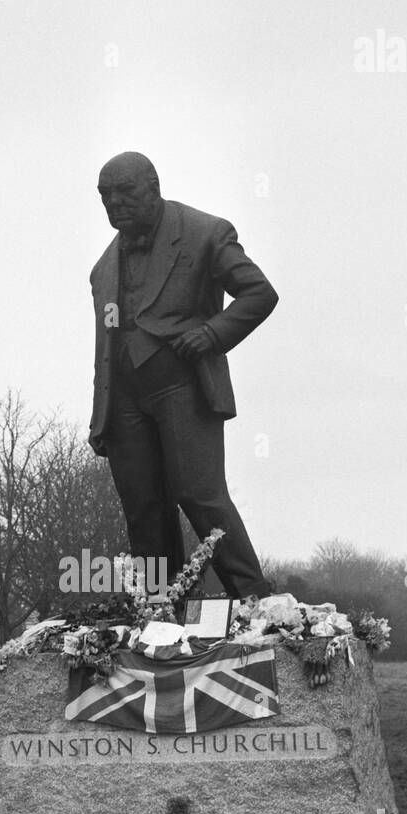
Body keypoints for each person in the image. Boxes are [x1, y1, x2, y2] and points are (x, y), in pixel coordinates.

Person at [89, 151, 278, 601]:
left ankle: (256, 605)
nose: (114, 202)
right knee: (144, 512)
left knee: (202, 497)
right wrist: (102, 416)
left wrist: (212, 334)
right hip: (125, 405)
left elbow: (259, 293)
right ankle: (164, 613)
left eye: (125, 192)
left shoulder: (205, 233)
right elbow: (105, 350)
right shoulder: (102, 268)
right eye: (105, 195)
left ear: (154, 187)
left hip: (183, 386)